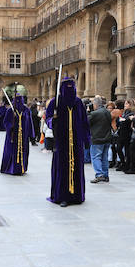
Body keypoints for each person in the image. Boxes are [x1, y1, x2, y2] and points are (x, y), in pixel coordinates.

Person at [46, 79, 90, 207]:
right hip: (61, 141)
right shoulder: (56, 102)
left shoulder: (78, 102)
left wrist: (86, 139)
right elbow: (48, 118)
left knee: (76, 167)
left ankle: (77, 195)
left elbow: (84, 121)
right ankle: (62, 196)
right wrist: (52, 121)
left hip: (76, 141)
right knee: (62, 167)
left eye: (72, 87)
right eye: (67, 87)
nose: (70, 90)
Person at [0, 95, 34, 175]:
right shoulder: (10, 110)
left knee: (23, 151)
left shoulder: (26, 110)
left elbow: (30, 122)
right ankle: (11, 168)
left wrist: (31, 134)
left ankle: (22, 168)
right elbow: (6, 122)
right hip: (13, 136)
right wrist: (11, 125)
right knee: (12, 152)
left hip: (23, 136)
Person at [87, 96, 112, 183]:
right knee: (104, 157)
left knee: (96, 157)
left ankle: (99, 174)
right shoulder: (107, 112)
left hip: (97, 138)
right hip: (107, 137)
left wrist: (88, 112)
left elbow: (87, 123)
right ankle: (105, 175)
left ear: (95, 104)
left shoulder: (94, 114)